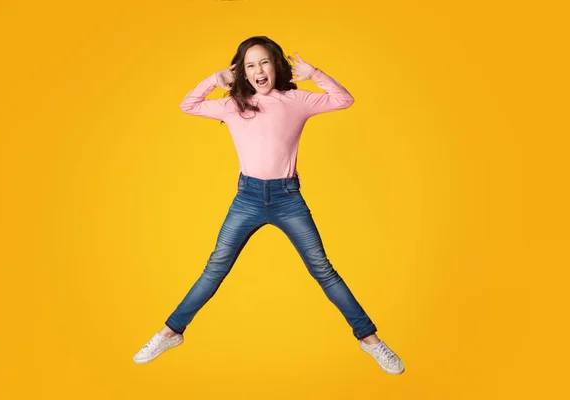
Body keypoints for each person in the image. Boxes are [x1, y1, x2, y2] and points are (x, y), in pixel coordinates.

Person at [133, 36, 404, 375]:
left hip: (287, 198)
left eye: (264, 62)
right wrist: (214, 80)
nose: (258, 70)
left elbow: (343, 99)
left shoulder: (295, 100)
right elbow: (187, 105)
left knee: (323, 269)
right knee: (215, 267)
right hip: (247, 198)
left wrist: (315, 73)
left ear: (276, 66)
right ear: (242, 72)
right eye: (249, 65)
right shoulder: (233, 104)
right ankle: (170, 333)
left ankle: (371, 341)